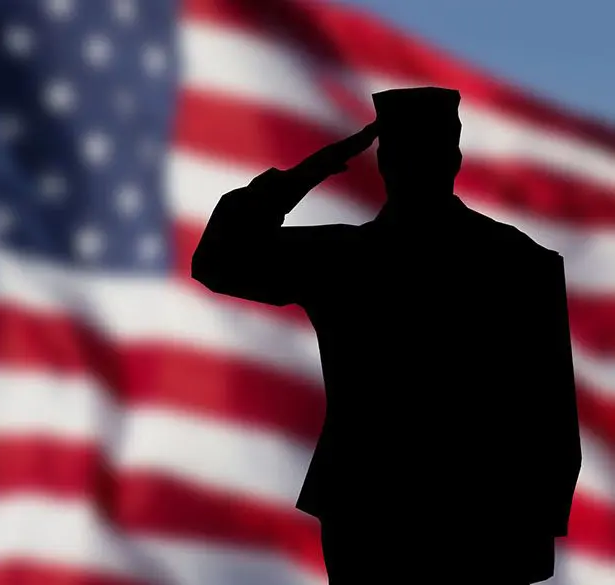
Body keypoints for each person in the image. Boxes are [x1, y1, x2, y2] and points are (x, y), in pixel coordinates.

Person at [191, 87, 582, 584]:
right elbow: (553, 419)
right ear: (454, 157)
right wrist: (528, 535)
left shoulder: (345, 259)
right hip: (474, 526)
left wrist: (299, 179)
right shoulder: (520, 263)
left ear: (385, 163)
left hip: (378, 515)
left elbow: (219, 259)